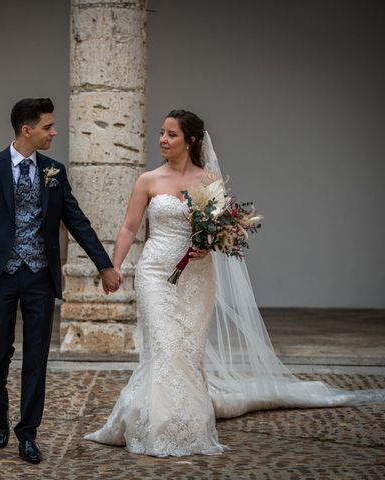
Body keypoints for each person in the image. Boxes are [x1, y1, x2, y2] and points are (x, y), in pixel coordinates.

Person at [84, 109, 385, 457]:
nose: (163, 140)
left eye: (172, 135)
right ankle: (160, 427)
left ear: (191, 140)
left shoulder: (210, 181)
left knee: (188, 351)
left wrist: (208, 244)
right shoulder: (147, 180)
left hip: (197, 278)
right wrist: (114, 266)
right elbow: (128, 227)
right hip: (154, 274)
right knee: (165, 347)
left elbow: (222, 232)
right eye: (162, 133)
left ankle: (184, 422)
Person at [0, 98, 122, 464]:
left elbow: (76, 220)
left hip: (39, 277)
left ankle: (28, 434)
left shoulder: (53, 171)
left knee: (37, 358)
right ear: (27, 129)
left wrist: (105, 265)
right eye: (48, 127)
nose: (54, 132)